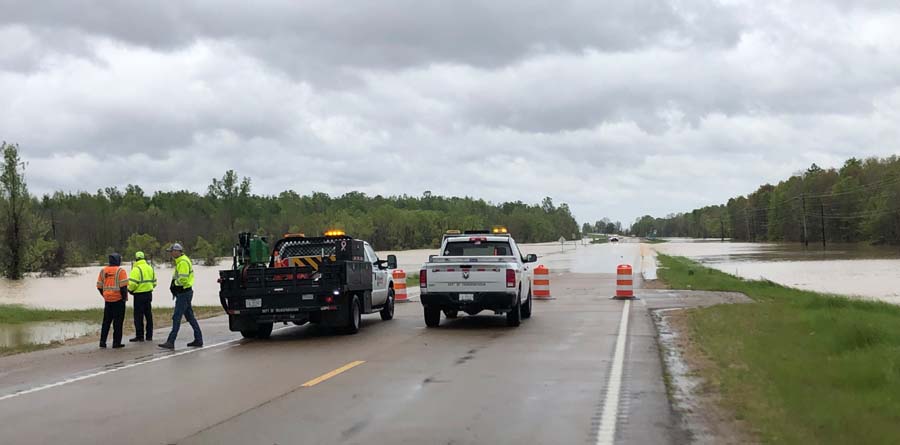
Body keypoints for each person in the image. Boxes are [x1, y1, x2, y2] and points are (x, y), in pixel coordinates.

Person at [158, 243, 203, 349]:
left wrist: (175, 285)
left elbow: (183, 279)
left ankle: (171, 341)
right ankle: (198, 339)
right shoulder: (182, 261)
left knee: (177, 317)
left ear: (178, 251)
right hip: (185, 292)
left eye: (172, 251)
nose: (171, 253)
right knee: (190, 317)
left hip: (183, 293)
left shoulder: (182, 262)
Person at [96, 253, 128, 349]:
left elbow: (99, 286)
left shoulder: (103, 271)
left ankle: (102, 342)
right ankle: (116, 343)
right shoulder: (120, 271)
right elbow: (123, 287)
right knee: (118, 323)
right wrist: (124, 298)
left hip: (108, 300)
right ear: (118, 260)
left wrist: (105, 295)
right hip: (118, 300)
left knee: (106, 322)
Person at [127, 251, 157, 342]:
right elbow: (154, 282)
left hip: (139, 295)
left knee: (138, 316)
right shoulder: (150, 268)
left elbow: (132, 283)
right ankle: (149, 335)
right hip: (148, 294)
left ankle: (140, 336)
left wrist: (130, 290)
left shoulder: (136, 269)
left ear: (136, 259)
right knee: (148, 315)